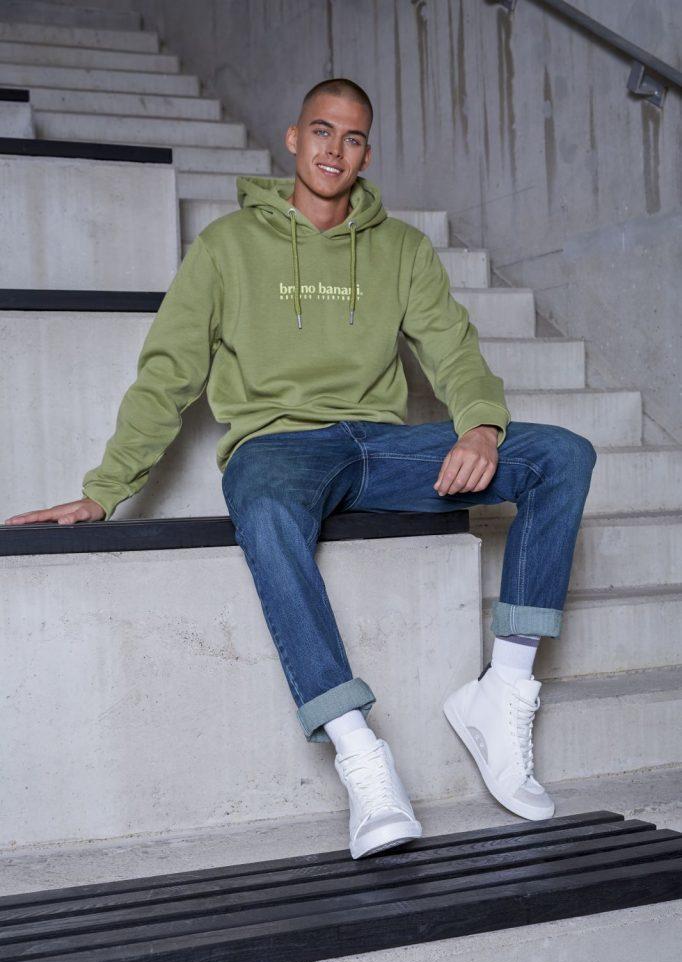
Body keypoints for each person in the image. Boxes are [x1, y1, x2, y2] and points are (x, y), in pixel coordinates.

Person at [5, 78, 597, 860]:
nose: (334, 150)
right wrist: (104, 490)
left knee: (562, 454)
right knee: (265, 507)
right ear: (294, 138)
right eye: (321, 131)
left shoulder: (401, 250)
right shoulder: (225, 246)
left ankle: (504, 691)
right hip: (278, 444)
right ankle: (359, 752)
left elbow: (453, 352)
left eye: (351, 138)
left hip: (381, 445)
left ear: (366, 153)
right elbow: (168, 375)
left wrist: (482, 428)